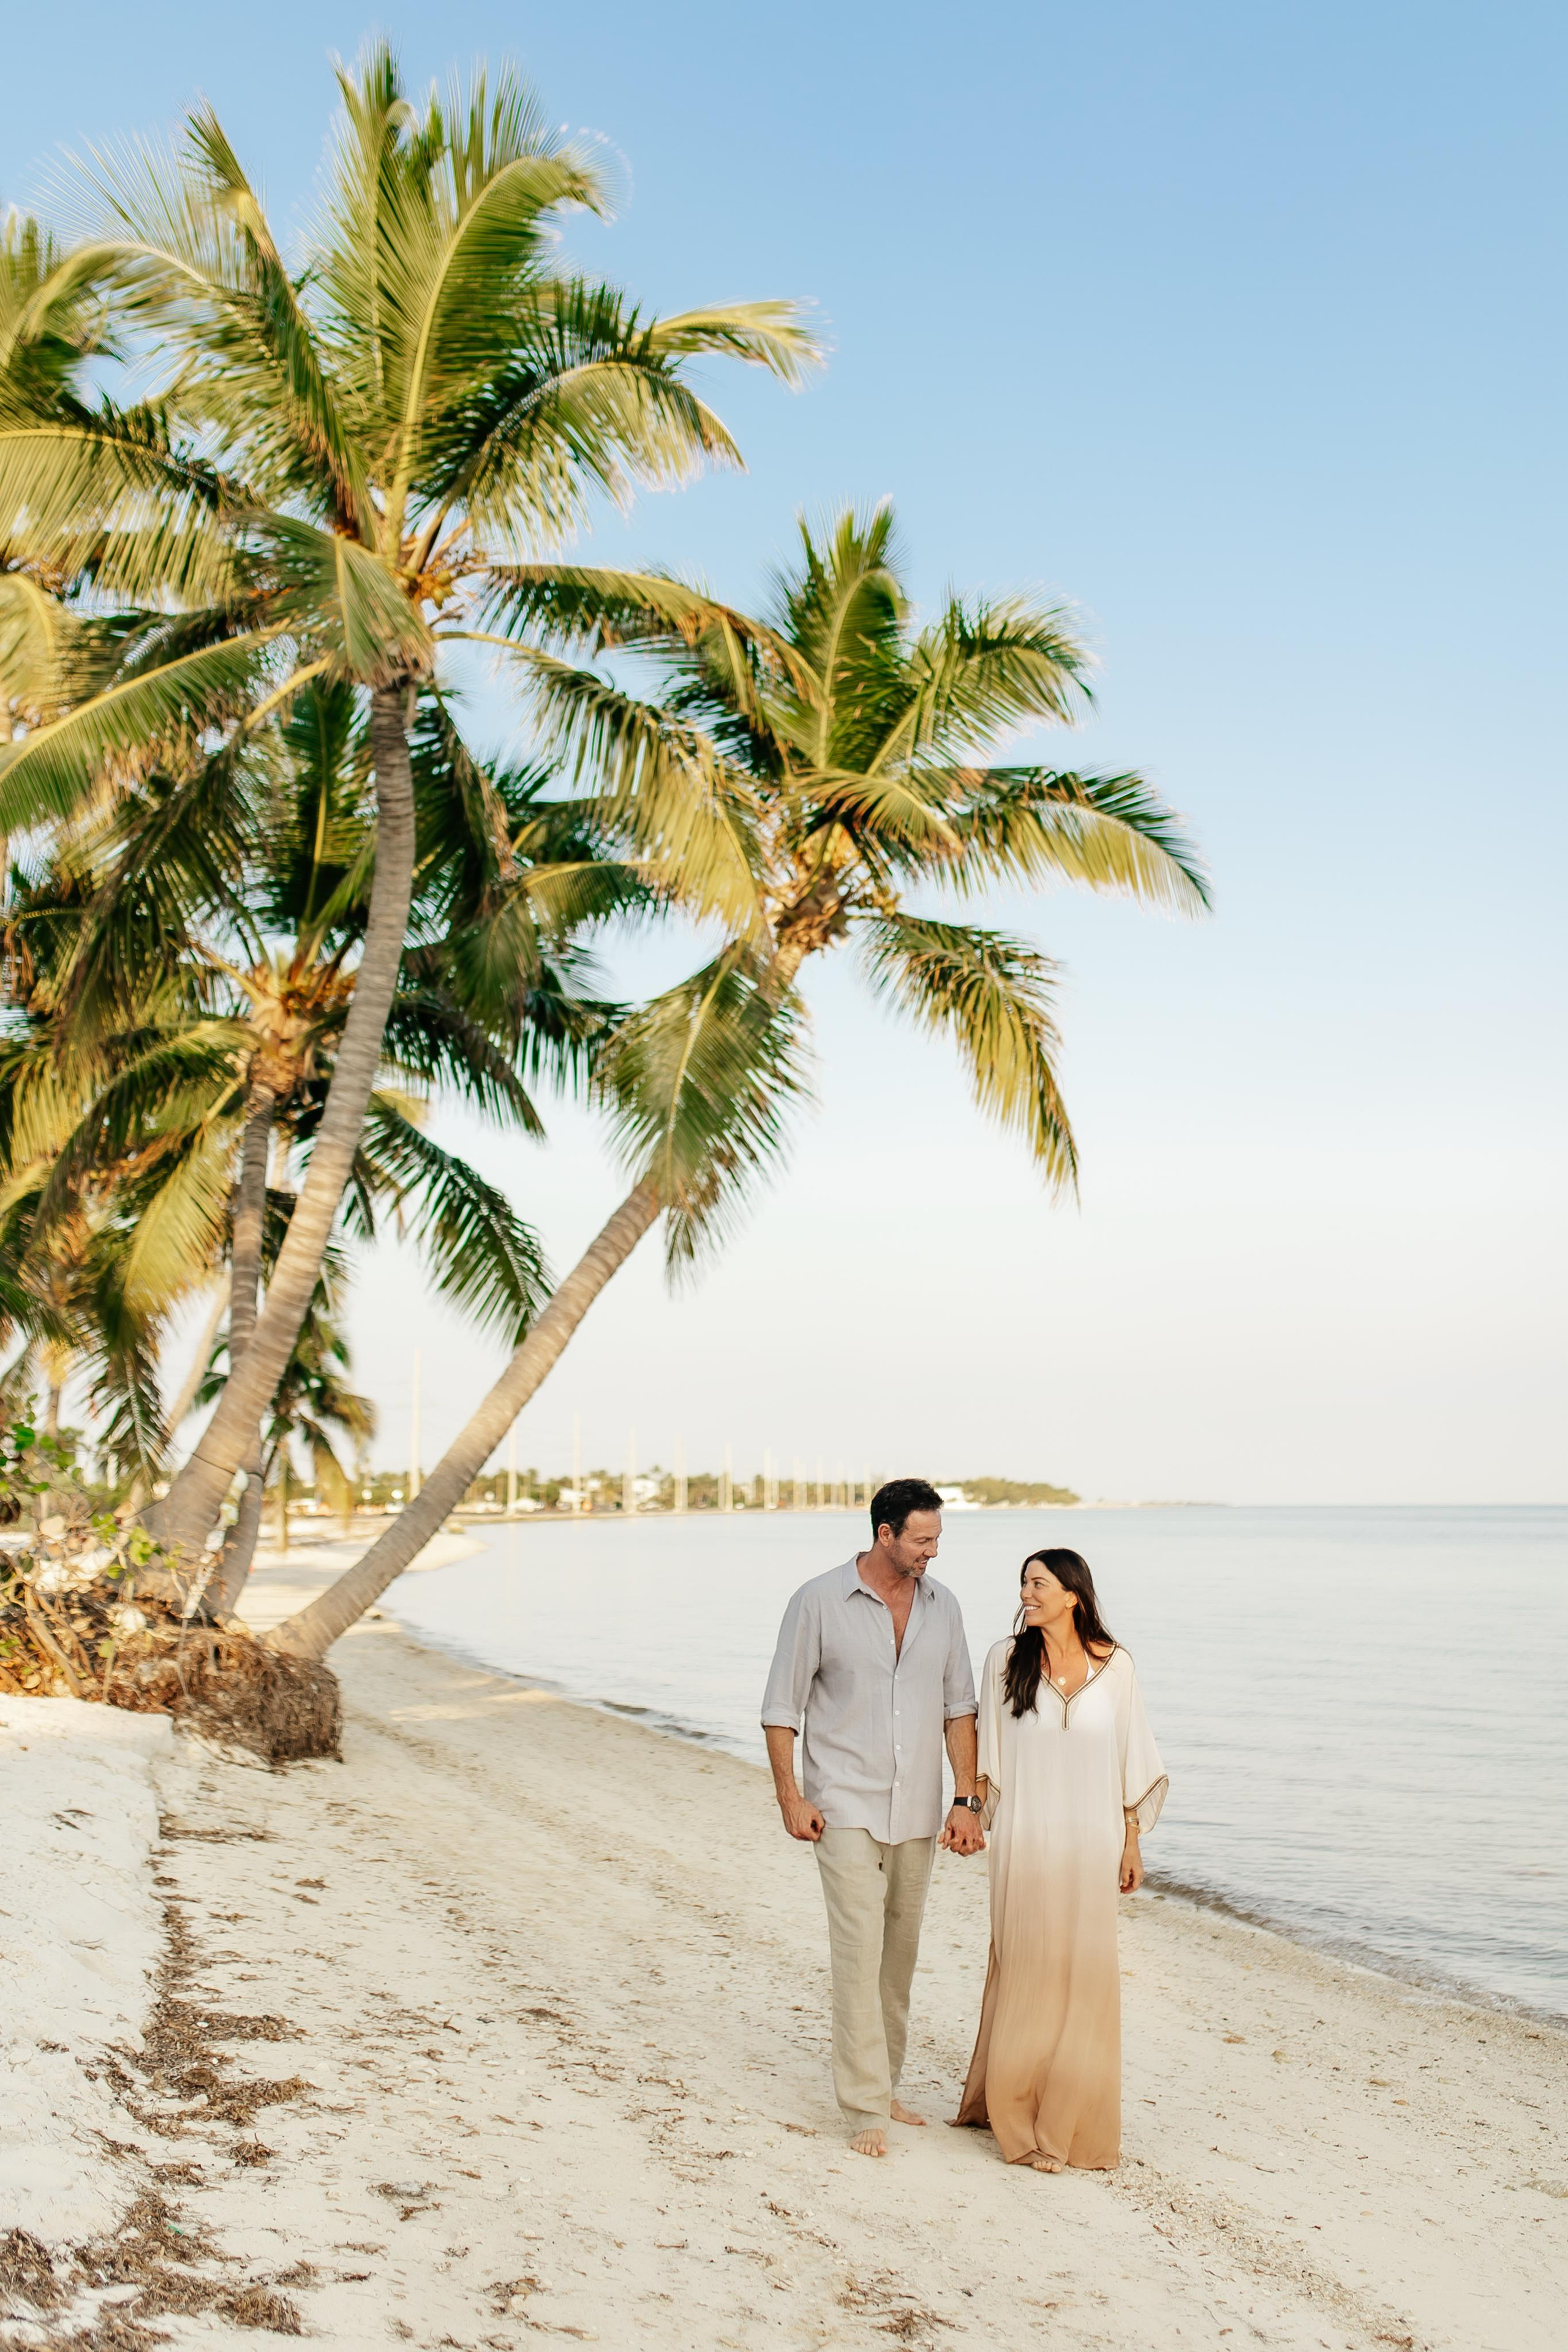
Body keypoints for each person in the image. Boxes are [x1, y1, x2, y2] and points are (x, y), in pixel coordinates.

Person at [762, 1477, 984, 2158]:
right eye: (922, 1539)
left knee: (899, 1956)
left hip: (916, 1807)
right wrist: (790, 1798)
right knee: (859, 1950)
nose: (932, 1552)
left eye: (937, 1539)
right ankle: (864, 2107)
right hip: (844, 1802)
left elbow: (959, 1709)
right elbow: (780, 1708)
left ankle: (883, 2084)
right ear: (883, 1534)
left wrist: (966, 1799)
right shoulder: (817, 1601)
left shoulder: (943, 1608)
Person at [954, 1547, 1166, 2172]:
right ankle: (1017, 2117)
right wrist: (969, 1812)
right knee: (1026, 1969)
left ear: (1073, 1594)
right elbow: (986, 1749)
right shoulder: (1005, 1660)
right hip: (1025, 1841)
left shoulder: (1117, 1666)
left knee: (1083, 1978)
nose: (1026, 1591)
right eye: (1023, 1582)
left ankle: (1067, 2118)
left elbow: (1132, 1757)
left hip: (1091, 1844)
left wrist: (1131, 1840)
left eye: (1038, 1582)